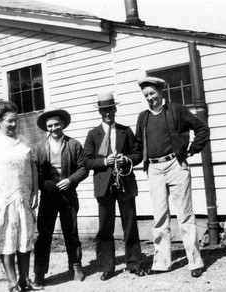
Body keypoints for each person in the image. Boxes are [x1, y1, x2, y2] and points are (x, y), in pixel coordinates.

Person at [135, 76, 210, 278]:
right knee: (160, 217)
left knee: (185, 215)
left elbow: (201, 128)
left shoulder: (177, 110)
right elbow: (137, 145)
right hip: (154, 169)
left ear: (161, 92)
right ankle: (161, 262)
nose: (150, 98)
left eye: (152, 94)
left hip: (176, 165)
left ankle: (195, 262)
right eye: (146, 95)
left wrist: (192, 150)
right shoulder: (143, 117)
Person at [0, 100, 42, 292]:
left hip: (24, 199)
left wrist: (35, 191)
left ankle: (24, 280)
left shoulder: (24, 141)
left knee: (24, 240)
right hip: (1, 201)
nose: (14, 124)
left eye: (16, 120)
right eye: (9, 121)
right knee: (7, 242)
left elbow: (33, 166)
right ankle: (12, 283)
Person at [83, 92, 146, 281]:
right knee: (105, 226)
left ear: (115, 109)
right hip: (104, 185)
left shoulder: (125, 131)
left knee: (129, 223)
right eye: (104, 110)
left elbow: (138, 154)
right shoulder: (93, 134)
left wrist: (125, 159)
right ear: (100, 112)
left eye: (110, 109)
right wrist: (104, 161)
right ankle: (107, 266)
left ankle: (134, 263)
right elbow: (86, 162)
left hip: (125, 182)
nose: (107, 113)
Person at [33, 108, 89, 286]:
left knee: (71, 232)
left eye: (57, 124)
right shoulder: (39, 147)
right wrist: (43, 183)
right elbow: (35, 172)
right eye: (50, 125)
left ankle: (76, 266)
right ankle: (39, 272)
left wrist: (71, 180)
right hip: (48, 197)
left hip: (68, 195)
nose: (53, 128)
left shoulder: (73, 144)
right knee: (43, 235)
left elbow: (84, 168)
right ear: (46, 128)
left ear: (63, 124)